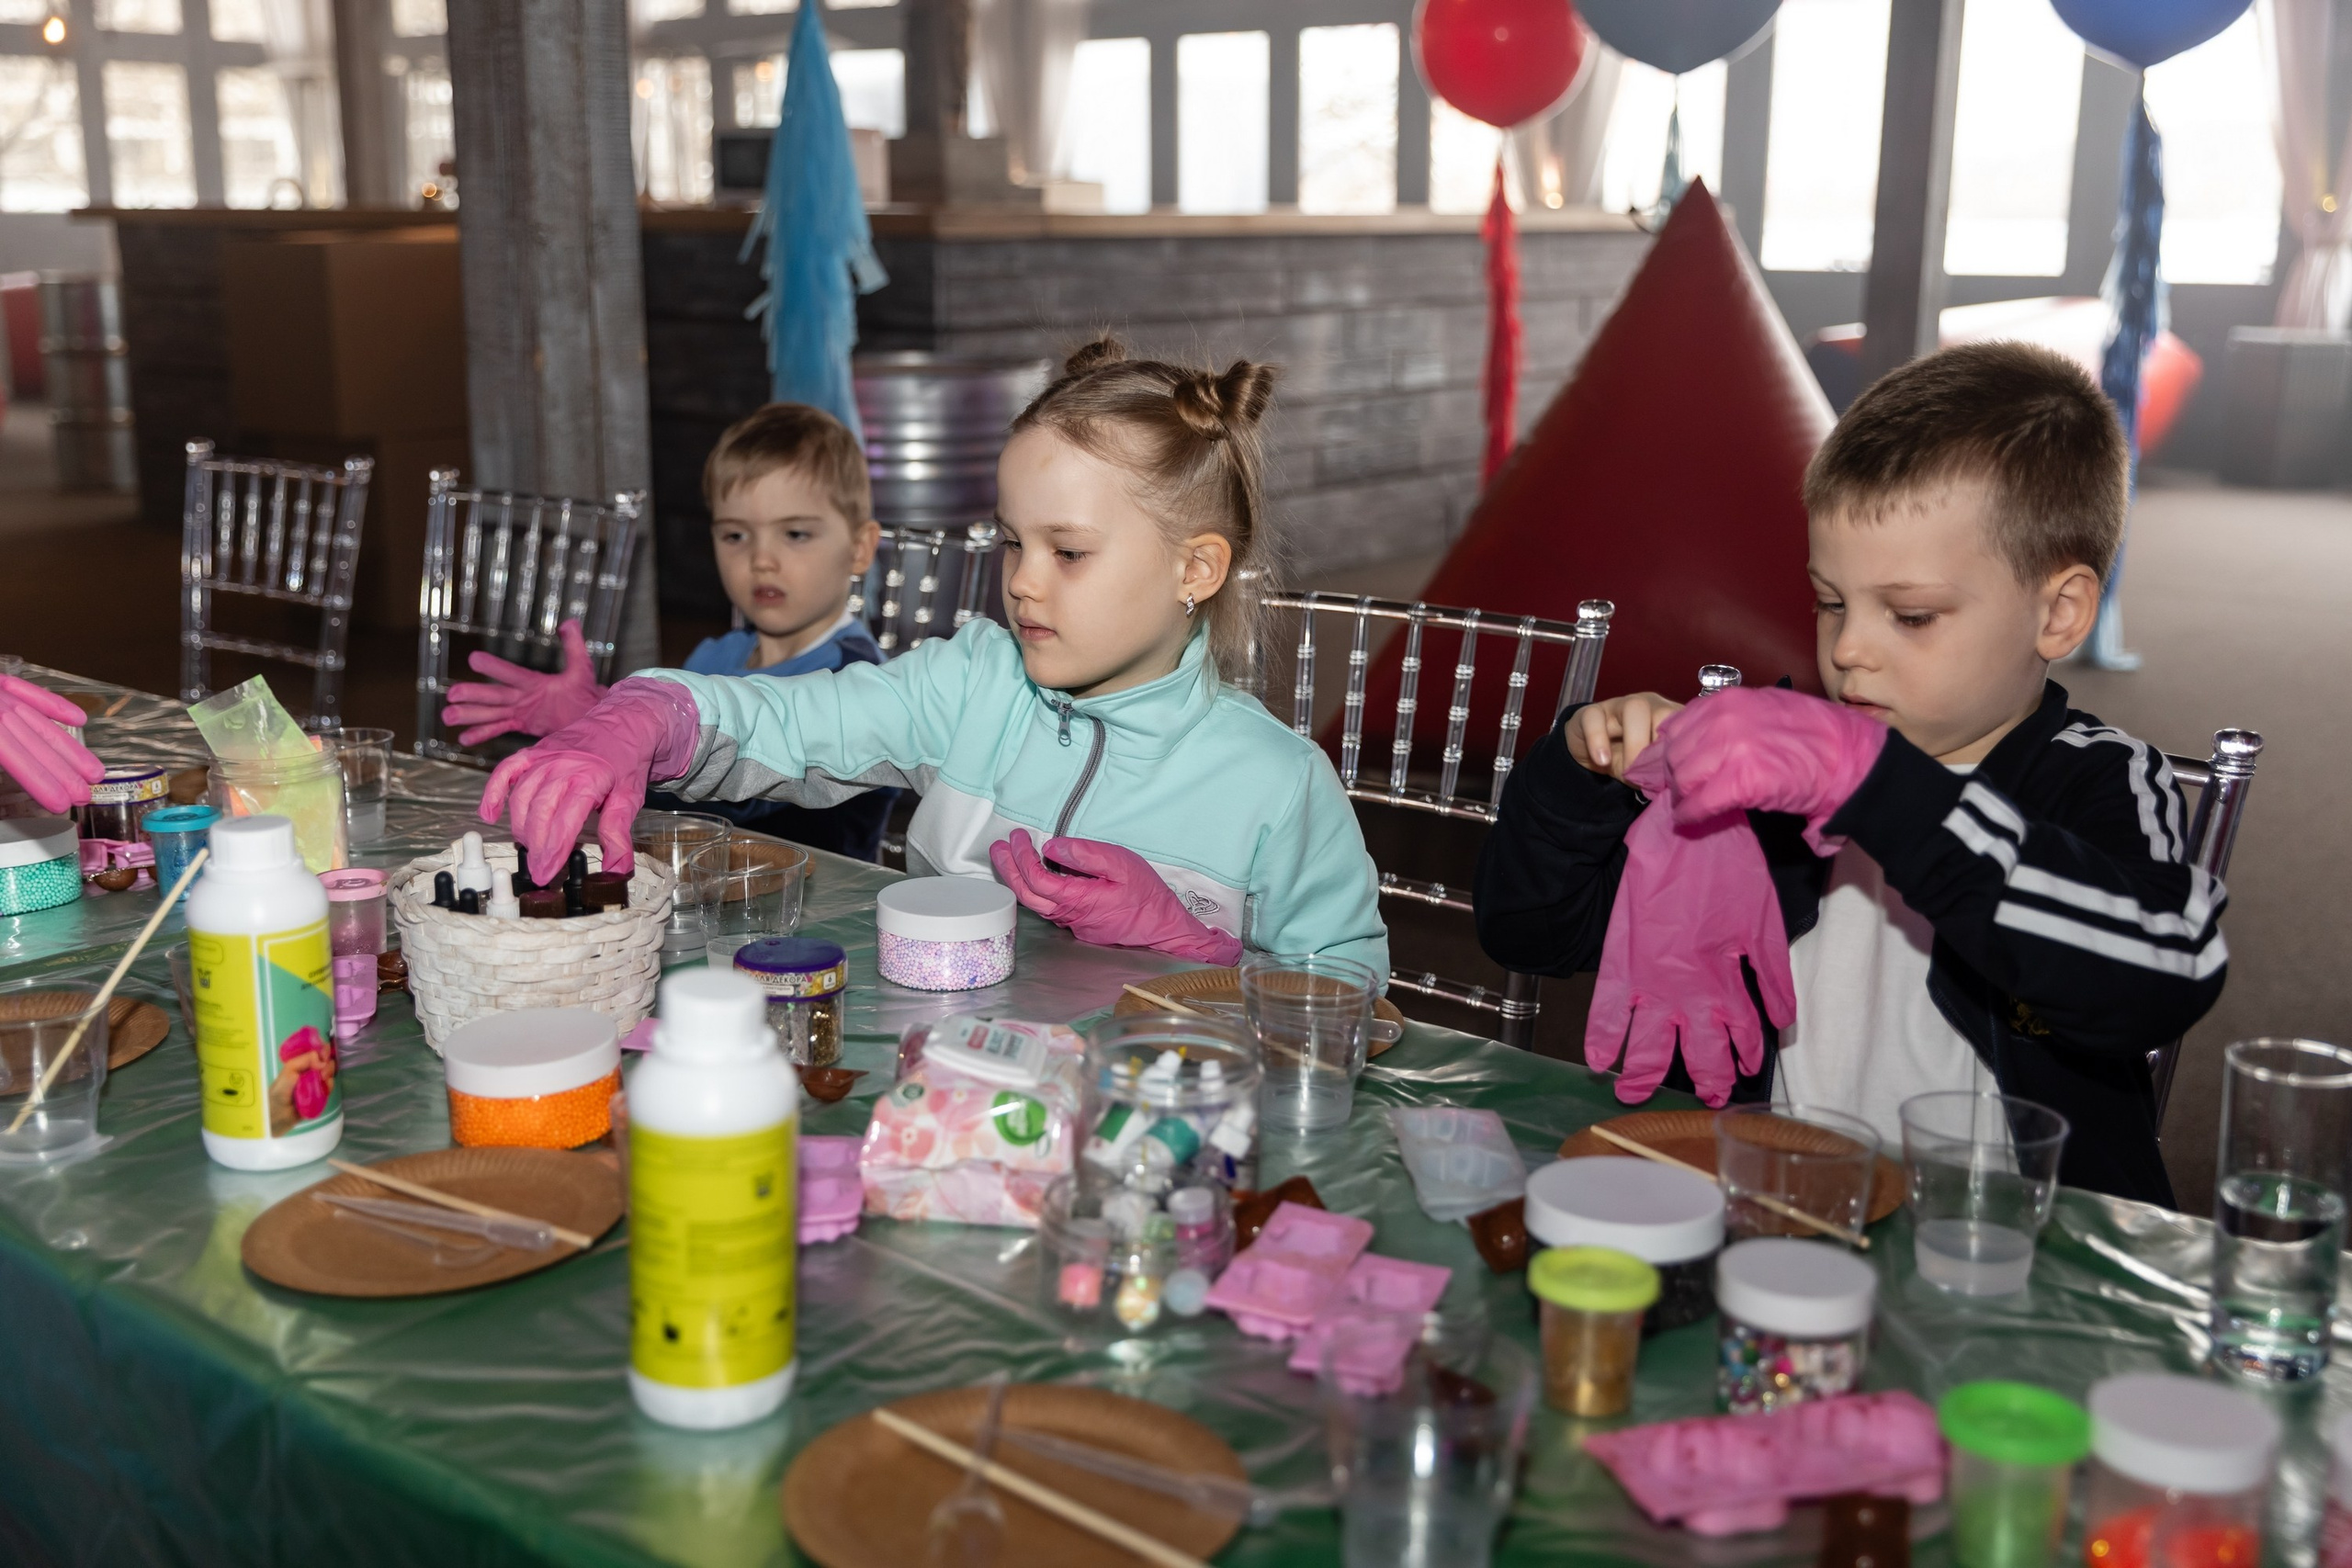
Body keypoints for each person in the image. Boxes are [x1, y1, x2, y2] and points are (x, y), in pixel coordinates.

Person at [1476, 342, 2224, 1205]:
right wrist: (1585, 773)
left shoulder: (2098, 780)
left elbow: (2165, 973)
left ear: (2057, 613)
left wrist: (1876, 784)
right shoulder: (1772, 774)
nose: (1849, 648)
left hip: (2001, 1253)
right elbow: (1525, 930)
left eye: (1910, 615)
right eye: (1831, 601)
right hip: (1773, 1214)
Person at [480, 338, 1388, 973]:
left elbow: (1349, 1004)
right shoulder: (970, 685)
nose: (1024, 583)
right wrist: (647, 715)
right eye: (1011, 544)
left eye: (1067, 552)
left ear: (1194, 568)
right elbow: (792, 720)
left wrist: (1201, 951)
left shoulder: (1278, 787)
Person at [441, 402, 896, 860]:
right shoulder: (714, 658)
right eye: (736, 535)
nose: (762, 560)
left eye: (795, 534)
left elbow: (751, 795)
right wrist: (597, 719)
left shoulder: (858, 683)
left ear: (860, 549)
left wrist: (637, 748)